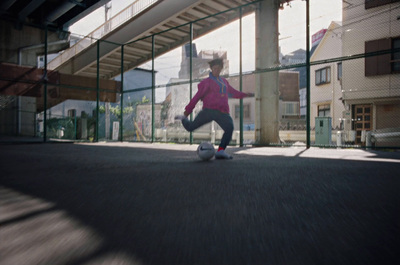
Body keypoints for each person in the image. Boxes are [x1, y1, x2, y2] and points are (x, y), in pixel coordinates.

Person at [175, 58, 253, 159]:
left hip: (222, 112)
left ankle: (221, 151)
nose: (217, 70)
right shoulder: (207, 82)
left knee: (229, 127)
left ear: (221, 69)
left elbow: (234, 93)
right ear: (211, 69)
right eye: (215, 68)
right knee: (190, 127)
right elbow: (197, 97)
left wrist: (245, 95)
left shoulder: (224, 82)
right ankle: (183, 119)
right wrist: (187, 112)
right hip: (209, 111)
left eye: (219, 68)